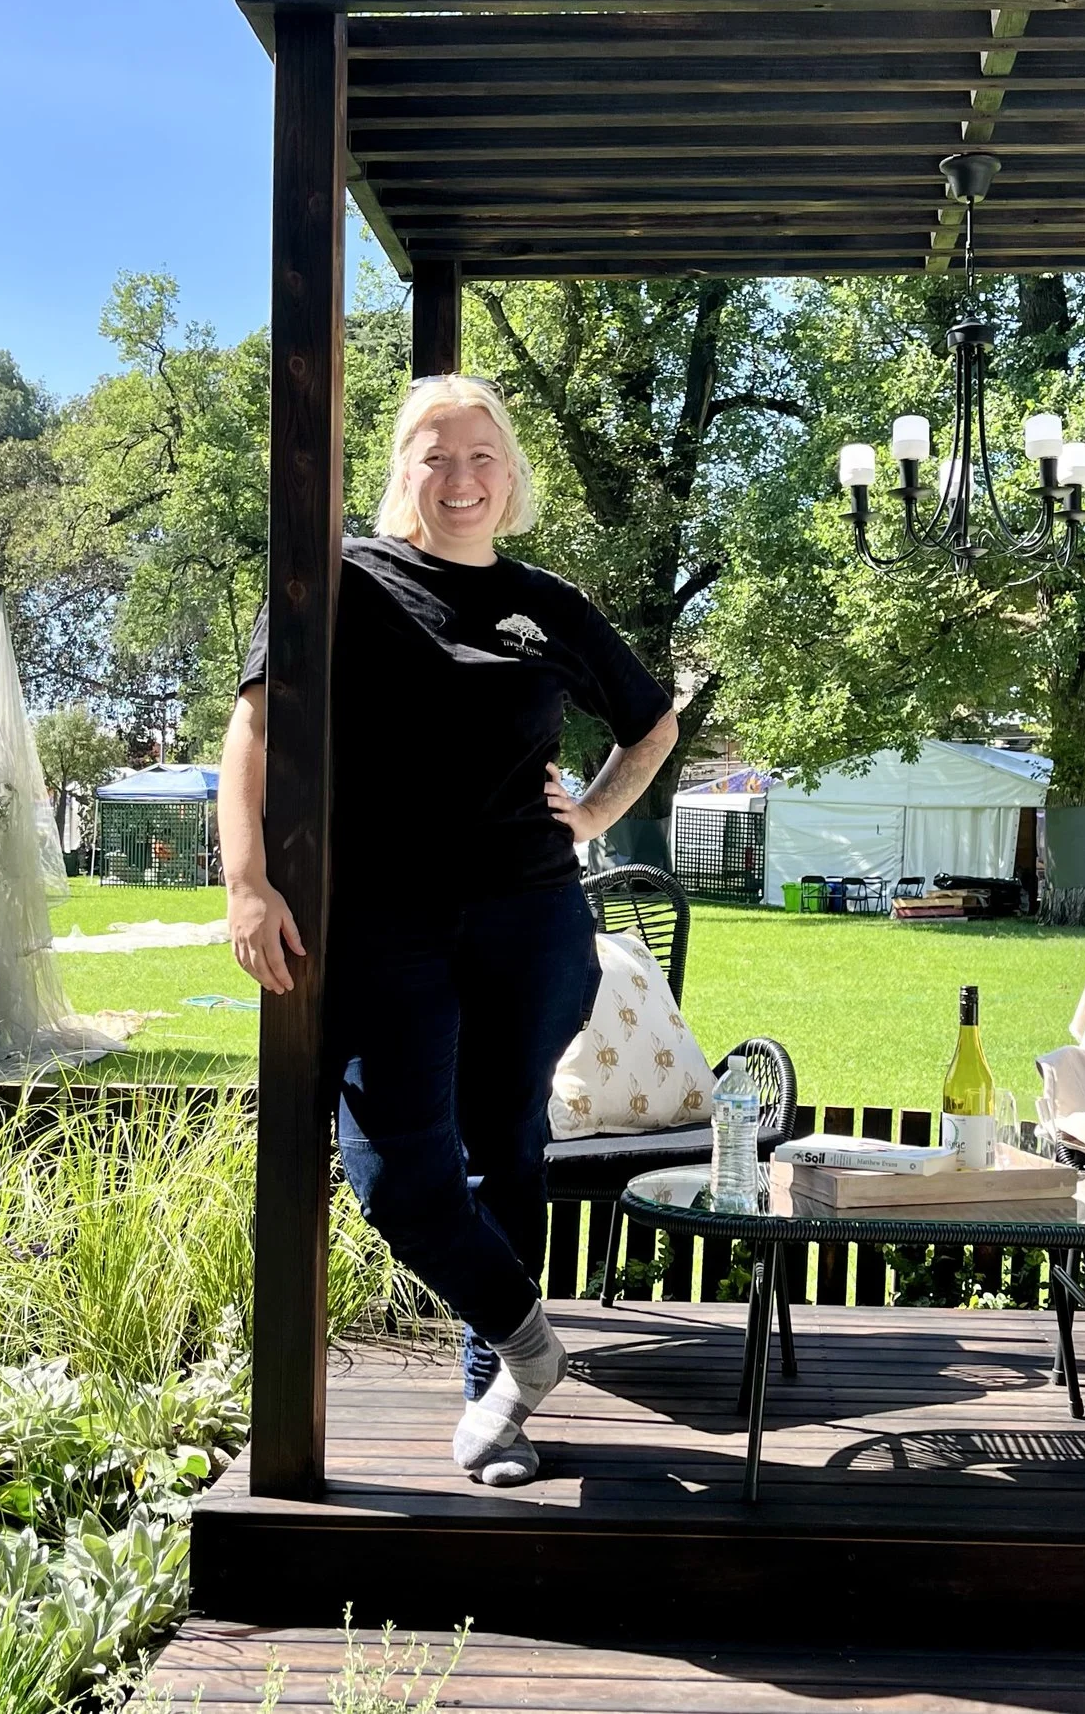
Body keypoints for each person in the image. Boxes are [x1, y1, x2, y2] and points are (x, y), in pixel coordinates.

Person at [218, 375, 679, 1487]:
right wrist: (244, 882)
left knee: (505, 1147)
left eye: (482, 456)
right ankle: (531, 1343)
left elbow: (651, 719)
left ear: (510, 473)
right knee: (395, 1173)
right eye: (437, 454)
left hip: (528, 917)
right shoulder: (338, 578)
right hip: (382, 921)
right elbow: (254, 731)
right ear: (402, 468)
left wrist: (596, 814)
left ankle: (498, 1397)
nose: (461, 477)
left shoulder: (548, 605)